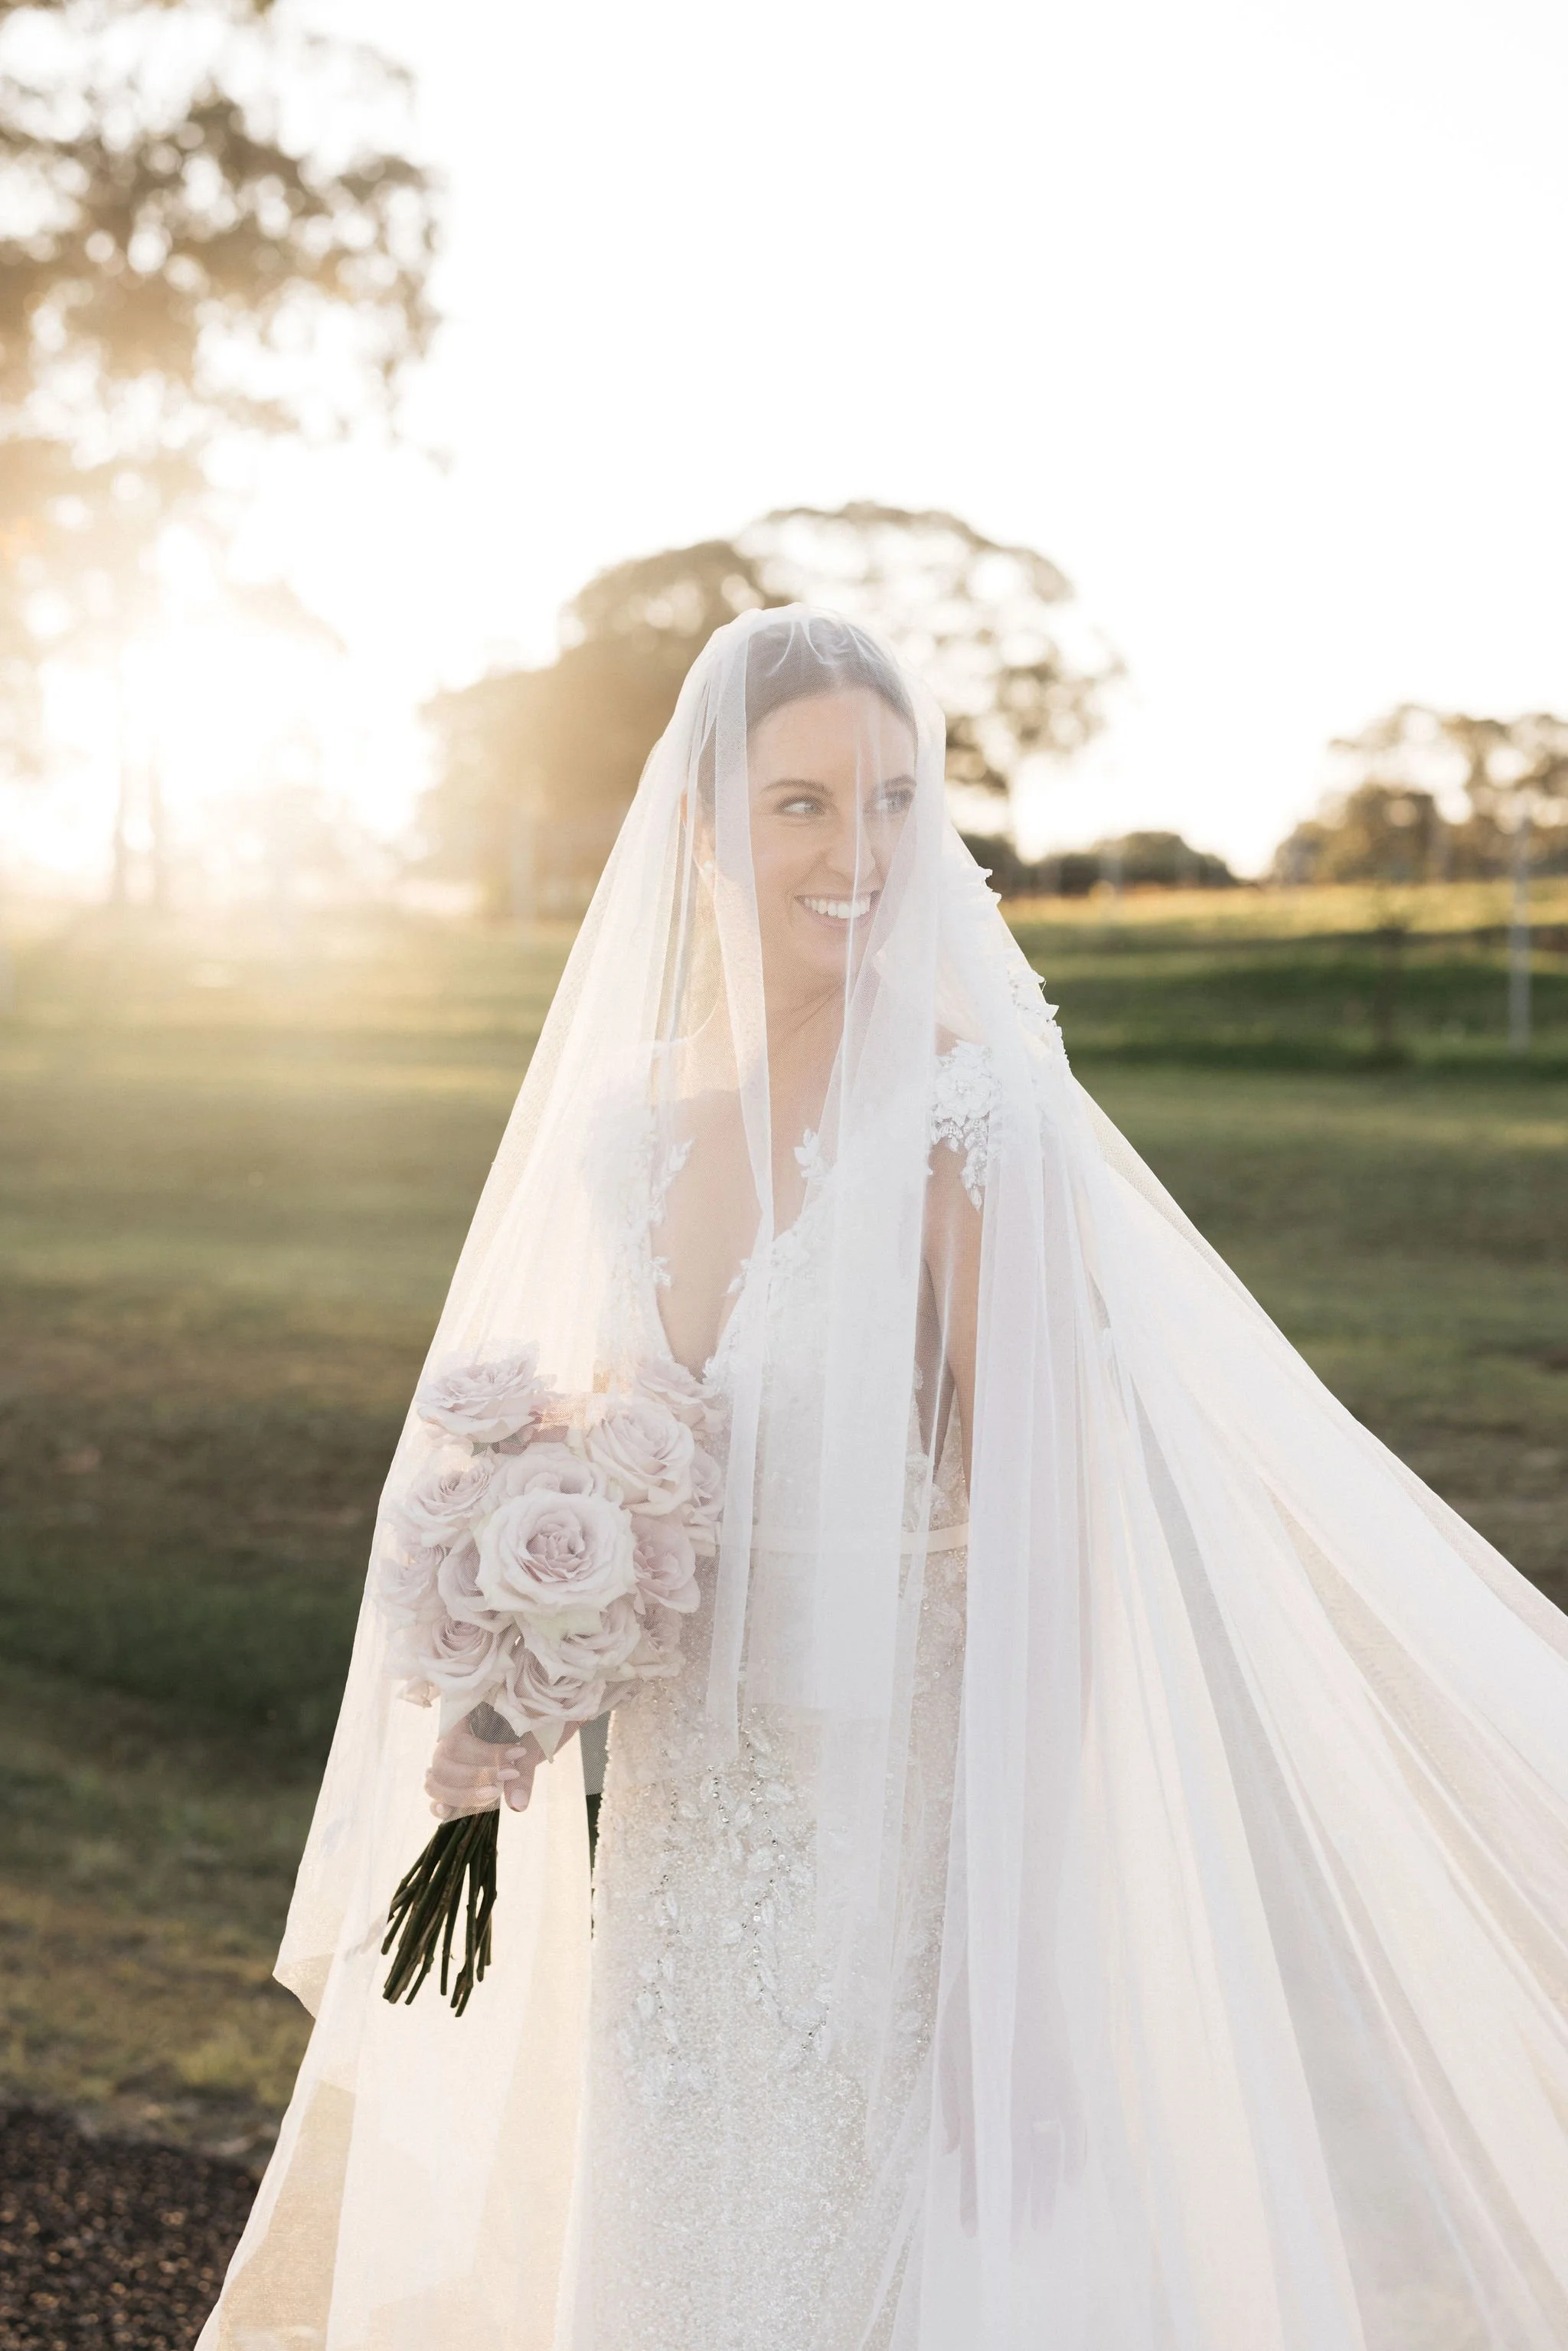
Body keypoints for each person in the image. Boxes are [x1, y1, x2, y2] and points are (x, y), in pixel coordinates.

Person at [201, 610, 1568, 2351]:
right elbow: (648, 1494)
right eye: (801, 805)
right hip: (682, 1877)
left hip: (906, 1879)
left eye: (896, 801)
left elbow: (1049, 1546)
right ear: (700, 820)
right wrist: (521, 1686)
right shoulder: (627, 1125)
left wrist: (1013, 1966)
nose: (859, 854)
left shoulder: (961, 1116)